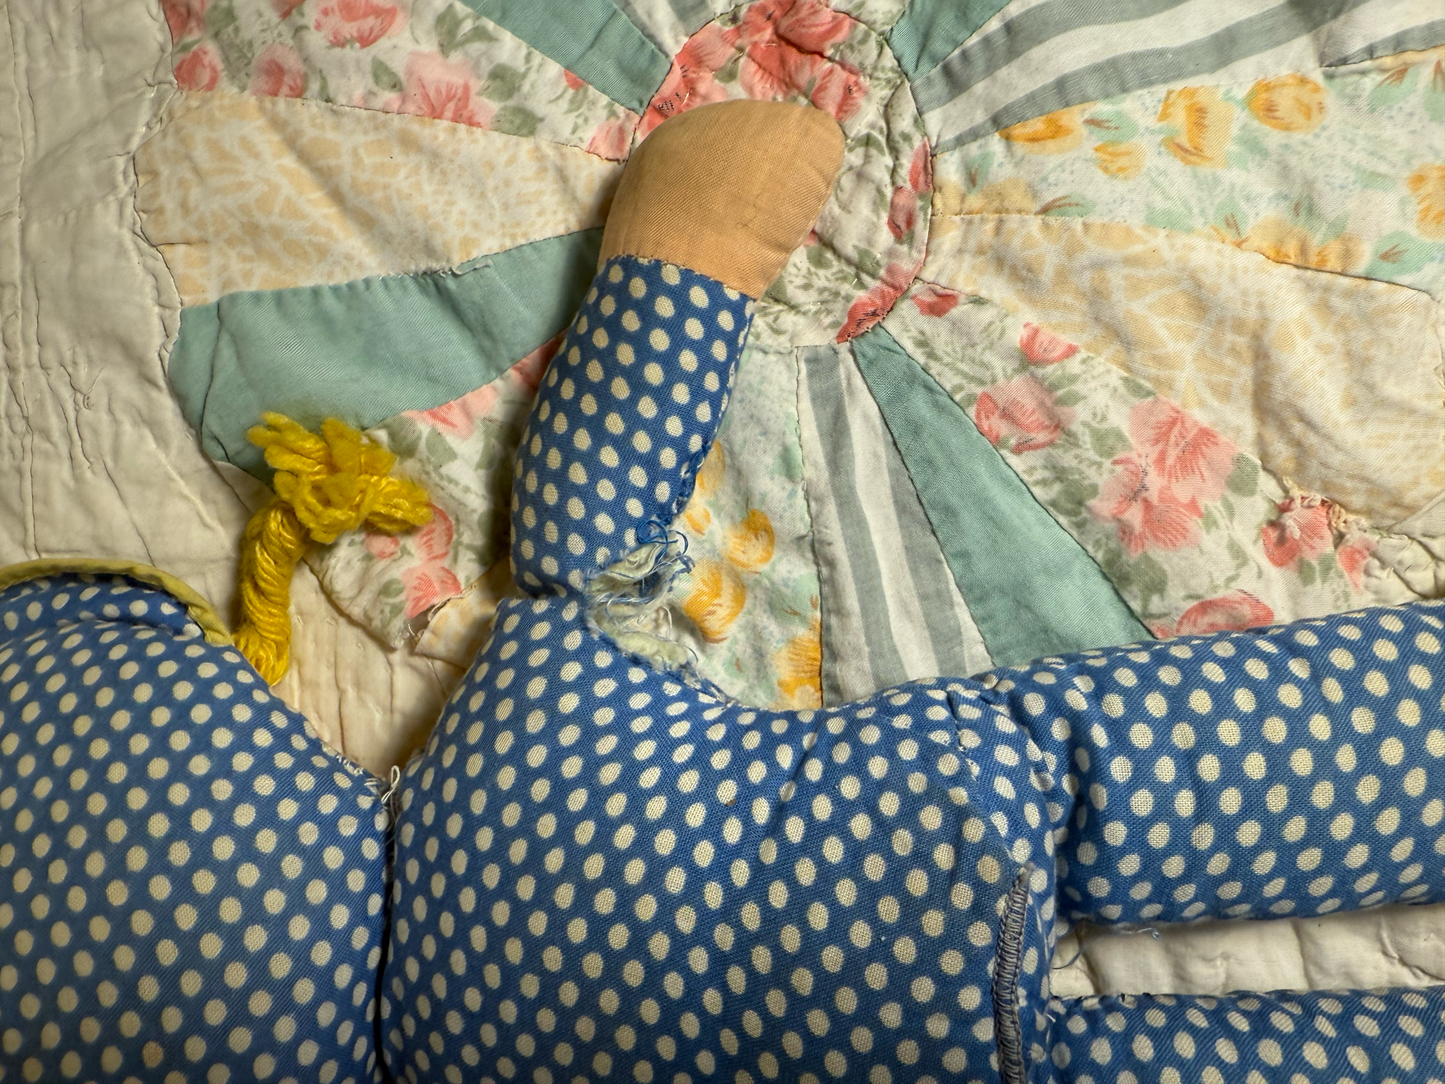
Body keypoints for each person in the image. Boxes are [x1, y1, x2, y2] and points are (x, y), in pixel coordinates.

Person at [1, 100, 1441, 1084]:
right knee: (1164, 764)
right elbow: (592, 513)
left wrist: (678, 250)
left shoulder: (511, 735)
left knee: (1122, 774)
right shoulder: (521, 726)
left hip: (983, 804)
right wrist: (676, 255)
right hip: (965, 799)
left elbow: (587, 518)